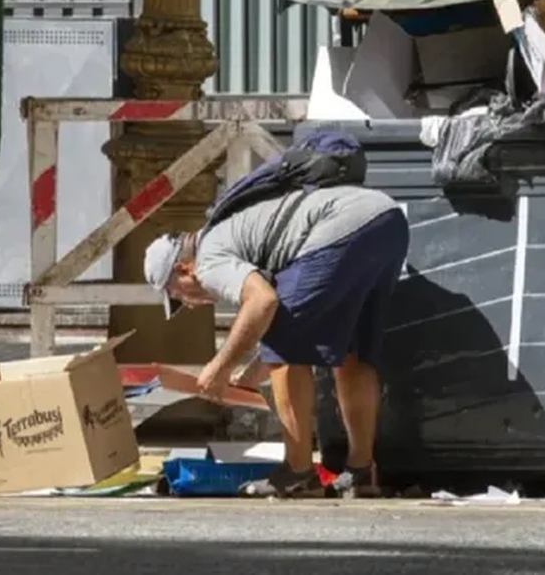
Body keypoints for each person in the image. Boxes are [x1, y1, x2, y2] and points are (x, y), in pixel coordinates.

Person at [143, 185, 410, 498]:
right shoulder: (229, 233)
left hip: (341, 225)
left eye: (179, 294)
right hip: (386, 219)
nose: (189, 304)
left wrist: (220, 366)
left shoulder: (208, 260)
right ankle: (361, 473)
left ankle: (298, 473)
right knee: (353, 351)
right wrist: (254, 370)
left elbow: (264, 302)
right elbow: (285, 310)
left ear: (184, 269)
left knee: (283, 346)